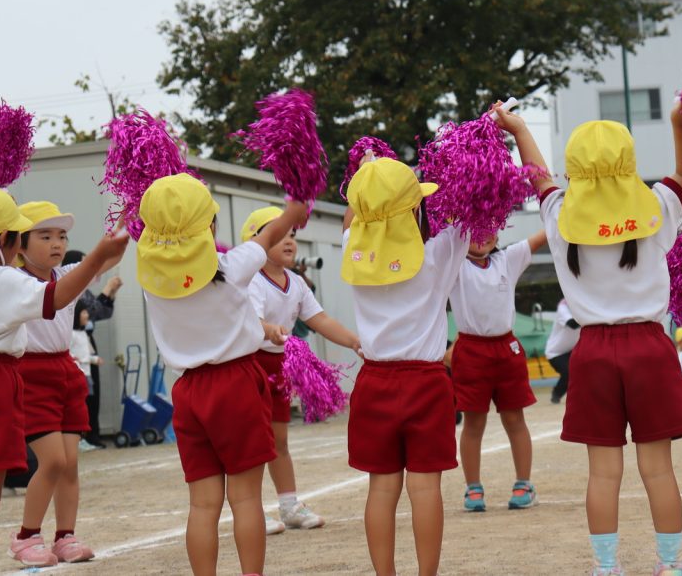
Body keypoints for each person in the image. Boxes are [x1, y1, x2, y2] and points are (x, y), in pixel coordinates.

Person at [501, 98, 682, 576]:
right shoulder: (656, 206)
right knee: (659, 469)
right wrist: (678, 121)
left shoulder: (560, 214)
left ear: (573, 169)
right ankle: (671, 566)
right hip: (650, 349)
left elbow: (538, 176)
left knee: (603, 473)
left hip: (591, 353)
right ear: (628, 161)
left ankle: (606, 569)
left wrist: (519, 129)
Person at [137, 173, 307, 576]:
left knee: (202, 504)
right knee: (246, 498)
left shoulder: (152, 282)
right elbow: (268, 236)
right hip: (236, 384)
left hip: (188, 391)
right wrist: (294, 208)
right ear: (209, 227)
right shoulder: (230, 268)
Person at [0, 187, 128, 575]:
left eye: (61, 236)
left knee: (69, 463)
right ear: (15, 243)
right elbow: (61, 293)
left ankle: (65, 535)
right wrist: (103, 250)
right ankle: (27, 536)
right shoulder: (9, 278)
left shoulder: (58, 274)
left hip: (65, 369)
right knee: (50, 462)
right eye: (44, 236)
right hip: (27, 372)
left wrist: (126, 220)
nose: (57, 243)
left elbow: (104, 260)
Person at [341, 157, 469, 576]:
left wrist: (366, 175)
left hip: (373, 381)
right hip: (426, 382)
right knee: (425, 486)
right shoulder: (438, 253)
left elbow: (351, 219)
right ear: (415, 208)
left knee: (381, 487)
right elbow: (468, 208)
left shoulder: (351, 249)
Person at [240, 207, 360, 535]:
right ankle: (250, 510)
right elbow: (253, 322)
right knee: (253, 440)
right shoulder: (251, 280)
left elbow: (319, 319)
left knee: (279, 439)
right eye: (279, 234)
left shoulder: (295, 282)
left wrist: (354, 342)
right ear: (255, 241)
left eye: (292, 234)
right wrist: (271, 330)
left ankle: (289, 505)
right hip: (250, 365)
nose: (289, 240)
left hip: (279, 366)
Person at [448, 229, 547, 513]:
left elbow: (542, 237)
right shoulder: (452, 262)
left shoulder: (508, 259)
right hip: (470, 350)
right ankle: (473, 488)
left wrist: (563, 210)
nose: (483, 236)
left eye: (489, 228)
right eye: (474, 230)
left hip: (506, 349)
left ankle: (523, 484)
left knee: (515, 419)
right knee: (473, 423)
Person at [62, 250, 123, 449]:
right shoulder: (69, 286)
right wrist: (106, 290)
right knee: (82, 396)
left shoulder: (85, 289)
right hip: (74, 346)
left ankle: (93, 433)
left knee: (93, 392)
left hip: (87, 342)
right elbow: (89, 311)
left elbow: (102, 312)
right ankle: (85, 435)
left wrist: (111, 293)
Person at [68, 301, 103, 446]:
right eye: (83, 312)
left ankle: (87, 437)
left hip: (87, 375)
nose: (87, 315)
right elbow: (69, 354)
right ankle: (80, 438)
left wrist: (94, 359)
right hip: (78, 375)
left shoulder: (84, 334)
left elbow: (86, 354)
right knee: (79, 406)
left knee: (88, 405)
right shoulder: (71, 334)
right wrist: (80, 360)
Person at [545, 298, 580, 404]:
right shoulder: (563, 306)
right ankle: (556, 394)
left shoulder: (584, 304)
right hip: (556, 352)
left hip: (574, 349)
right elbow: (572, 324)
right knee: (568, 373)